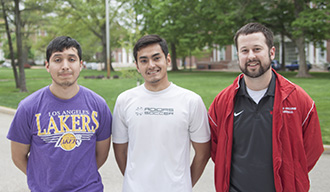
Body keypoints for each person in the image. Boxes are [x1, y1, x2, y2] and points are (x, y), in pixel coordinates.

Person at [208, 22, 324, 192]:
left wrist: (291, 175)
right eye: (244, 51)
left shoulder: (298, 99)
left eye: (257, 49)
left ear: (271, 52)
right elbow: (216, 149)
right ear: (238, 54)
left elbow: (311, 149)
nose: (251, 56)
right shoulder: (222, 102)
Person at [7, 36, 112, 192]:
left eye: (71, 59)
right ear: (47, 66)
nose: (65, 66)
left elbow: (101, 155)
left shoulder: (98, 106)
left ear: (81, 65)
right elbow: (18, 157)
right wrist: (42, 180)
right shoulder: (28, 108)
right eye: (57, 60)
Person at [112, 34, 211, 192]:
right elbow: (120, 151)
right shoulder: (124, 101)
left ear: (168, 60)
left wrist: (183, 185)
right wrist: (135, 183)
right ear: (137, 66)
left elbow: (203, 153)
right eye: (144, 60)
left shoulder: (191, 101)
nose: (151, 65)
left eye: (156, 58)